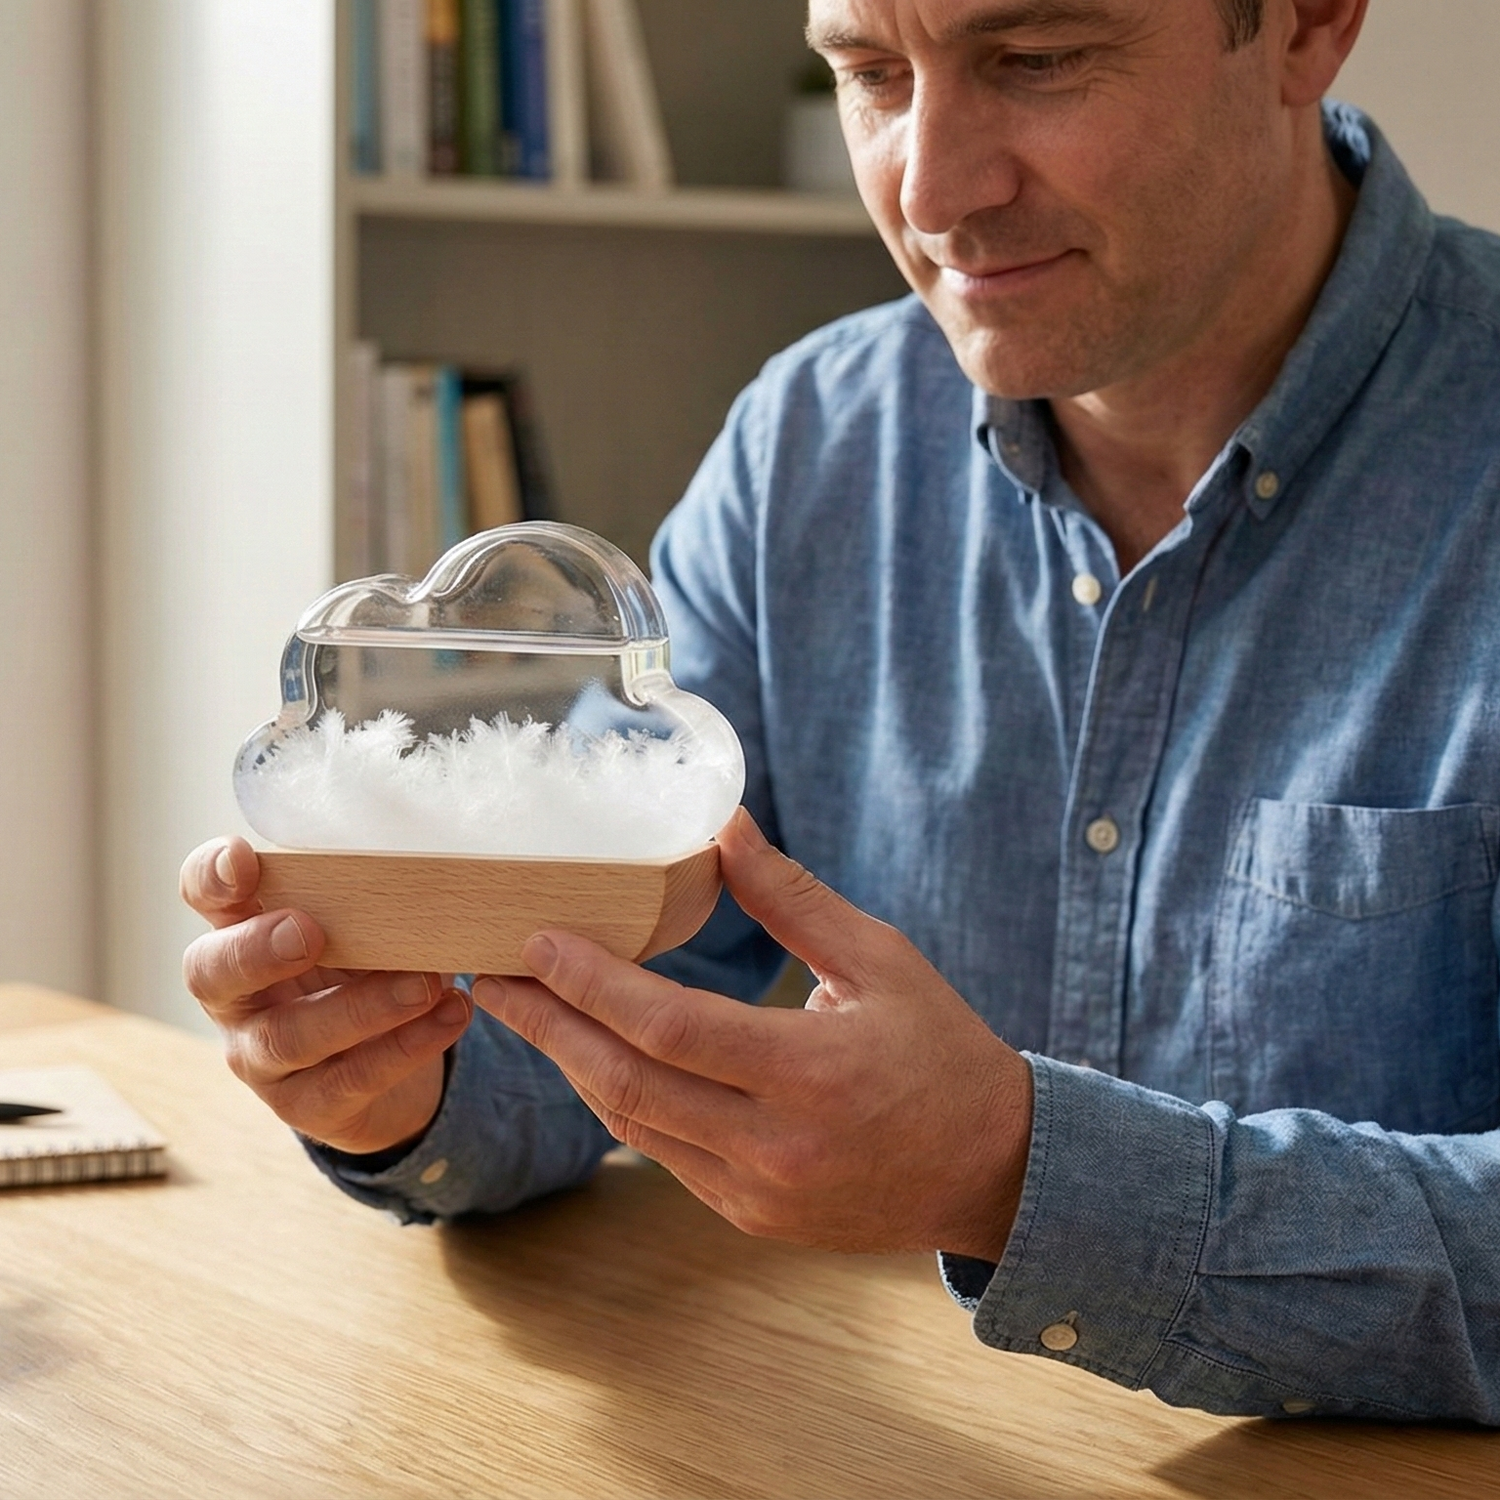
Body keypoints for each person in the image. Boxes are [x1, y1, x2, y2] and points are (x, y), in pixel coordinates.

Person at [182, 0, 1500, 1422]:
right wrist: (400, 1083)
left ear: (1307, 26)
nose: (930, 192)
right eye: (869, 74)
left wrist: (1017, 1174)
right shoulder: (807, 445)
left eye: (1038, 61)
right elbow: (624, 980)